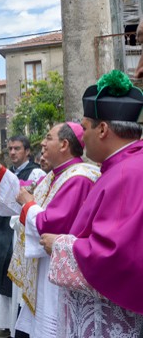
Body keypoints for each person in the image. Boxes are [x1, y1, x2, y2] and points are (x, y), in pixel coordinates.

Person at [41, 70, 143, 337]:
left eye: (85, 128)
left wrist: (59, 245)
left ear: (103, 129)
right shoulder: (123, 167)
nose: (82, 137)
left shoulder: (126, 174)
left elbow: (117, 256)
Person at [0, 123, 100, 338]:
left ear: (64, 144)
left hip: (57, 274)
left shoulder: (78, 178)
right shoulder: (55, 176)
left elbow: (51, 225)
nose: (42, 142)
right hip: (45, 268)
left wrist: (28, 204)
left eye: (48, 137)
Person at [0, 136, 46, 338]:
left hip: (22, 234)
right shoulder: (12, 173)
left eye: (17, 148)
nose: (13, 152)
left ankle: (18, 325)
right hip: (4, 230)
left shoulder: (36, 172)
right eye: (10, 149)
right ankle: (7, 323)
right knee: (2, 276)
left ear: (27, 151)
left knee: (17, 283)